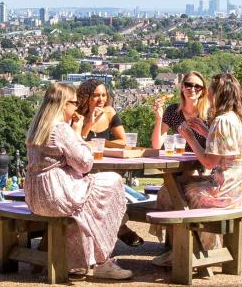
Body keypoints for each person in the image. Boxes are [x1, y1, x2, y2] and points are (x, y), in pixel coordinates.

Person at [24, 82, 131, 281]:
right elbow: (85, 164)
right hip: (57, 195)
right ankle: (102, 258)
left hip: (35, 197)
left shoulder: (37, 125)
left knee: (87, 203)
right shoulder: (61, 129)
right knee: (113, 182)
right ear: (63, 104)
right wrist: (78, 131)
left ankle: (81, 259)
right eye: (73, 103)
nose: (76, 107)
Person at [155, 73, 242, 267]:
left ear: (219, 94)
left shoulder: (221, 121)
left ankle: (184, 252)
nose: (207, 94)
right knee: (179, 188)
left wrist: (190, 137)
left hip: (223, 190)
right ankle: (191, 247)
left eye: (209, 90)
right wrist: (204, 131)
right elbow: (228, 148)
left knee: (171, 191)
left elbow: (209, 163)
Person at [72, 78, 143, 248]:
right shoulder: (77, 116)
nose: (101, 99)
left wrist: (103, 146)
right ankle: (121, 228)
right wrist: (89, 123)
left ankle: (118, 229)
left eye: (104, 95)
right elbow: (75, 143)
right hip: (83, 171)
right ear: (85, 97)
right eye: (96, 95)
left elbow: (122, 140)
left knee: (113, 189)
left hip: (104, 167)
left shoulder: (110, 113)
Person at [149, 72, 211, 242]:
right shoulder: (173, 112)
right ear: (182, 87)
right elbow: (156, 145)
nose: (192, 89)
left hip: (203, 170)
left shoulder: (209, 114)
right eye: (189, 85)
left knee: (177, 193)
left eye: (197, 86)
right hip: (179, 170)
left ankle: (191, 245)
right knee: (166, 193)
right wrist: (159, 118)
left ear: (203, 91)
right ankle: (175, 244)